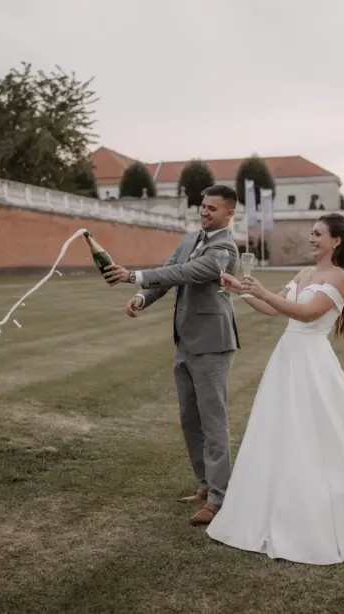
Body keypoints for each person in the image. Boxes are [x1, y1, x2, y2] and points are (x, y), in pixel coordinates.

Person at [208, 212, 344, 565]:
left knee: (318, 436)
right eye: (310, 233)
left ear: (336, 240)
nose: (311, 239)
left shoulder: (340, 277)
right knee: (279, 432)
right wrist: (241, 290)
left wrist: (262, 288)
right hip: (287, 359)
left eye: (317, 234)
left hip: (312, 360)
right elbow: (270, 309)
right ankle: (271, 510)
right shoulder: (304, 273)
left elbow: (307, 314)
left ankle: (323, 519)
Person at [103, 184, 241, 525]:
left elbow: (187, 274)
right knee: (189, 420)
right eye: (203, 206)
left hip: (213, 344)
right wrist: (142, 297)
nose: (205, 212)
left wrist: (134, 275)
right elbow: (166, 276)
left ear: (229, 214)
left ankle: (220, 500)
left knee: (213, 423)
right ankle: (205, 487)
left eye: (212, 208)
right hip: (184, 343)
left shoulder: (225, 248)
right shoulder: (187, 240)